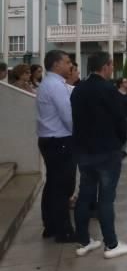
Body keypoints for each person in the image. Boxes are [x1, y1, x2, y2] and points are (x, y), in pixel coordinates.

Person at [71, 51, 127, 259]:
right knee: (106, 199)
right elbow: (120, 120)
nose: (112, 69)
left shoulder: (78, 88)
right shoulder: (108, 89)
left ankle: (83, 241)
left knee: (84, 196)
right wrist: (119, 142)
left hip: (84, 151)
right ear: (105, 66)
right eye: (111, 65)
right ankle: (111, 244)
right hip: (106, 151)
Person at [36, 50, 76, 243]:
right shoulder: (56, 85)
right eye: (67, 62)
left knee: (52, 184)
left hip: (49, 139)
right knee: (62, 187)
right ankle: (63, 230)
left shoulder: (48, 83)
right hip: (59, 140)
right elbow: (67, 116)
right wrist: (78, 136)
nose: (70, 66)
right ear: (56, 64)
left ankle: (50, 225)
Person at [116, 77, 127, 158]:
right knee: (119, 134)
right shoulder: (116, 93)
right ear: (121, 84)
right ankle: (118, 150)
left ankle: (123, 150)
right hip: (119, 117)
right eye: (125, 82)